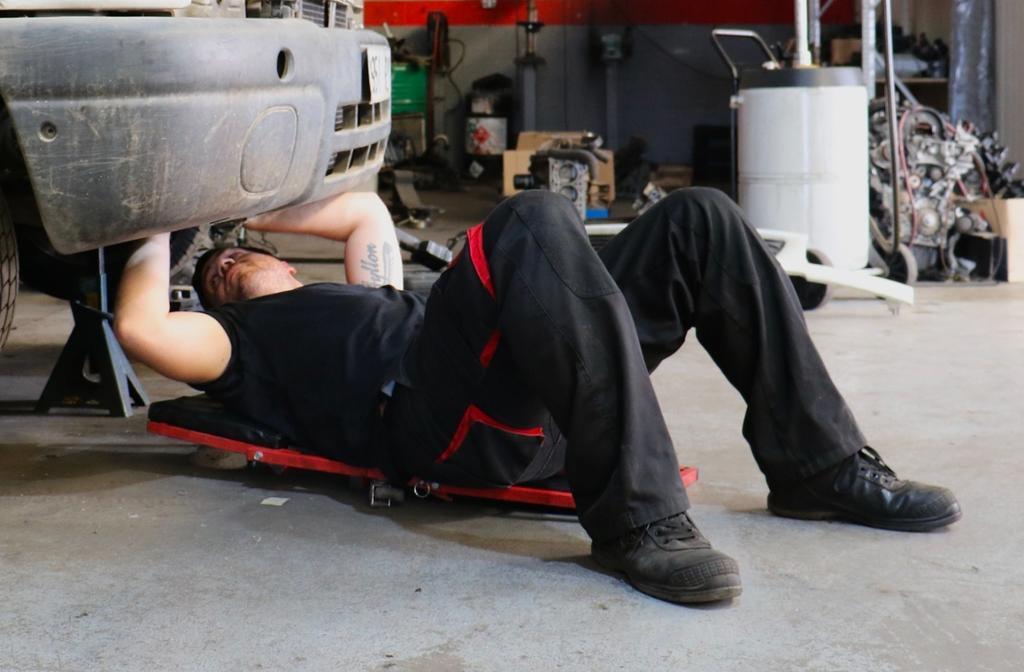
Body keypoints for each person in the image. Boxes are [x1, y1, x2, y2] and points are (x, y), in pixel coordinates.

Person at [115, 188, 960, 605]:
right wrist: (166, 219)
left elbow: (362, 208)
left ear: (286, 259)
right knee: (530, 222)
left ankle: (819, 465)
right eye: (215, 277)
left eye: (234, 256)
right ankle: (639, 521)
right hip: (435, 422)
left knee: (700, 219)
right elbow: (143, 327)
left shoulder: (364, 284)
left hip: (544, 375)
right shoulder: (243, 343)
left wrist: (225, 195)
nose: (224, 267)